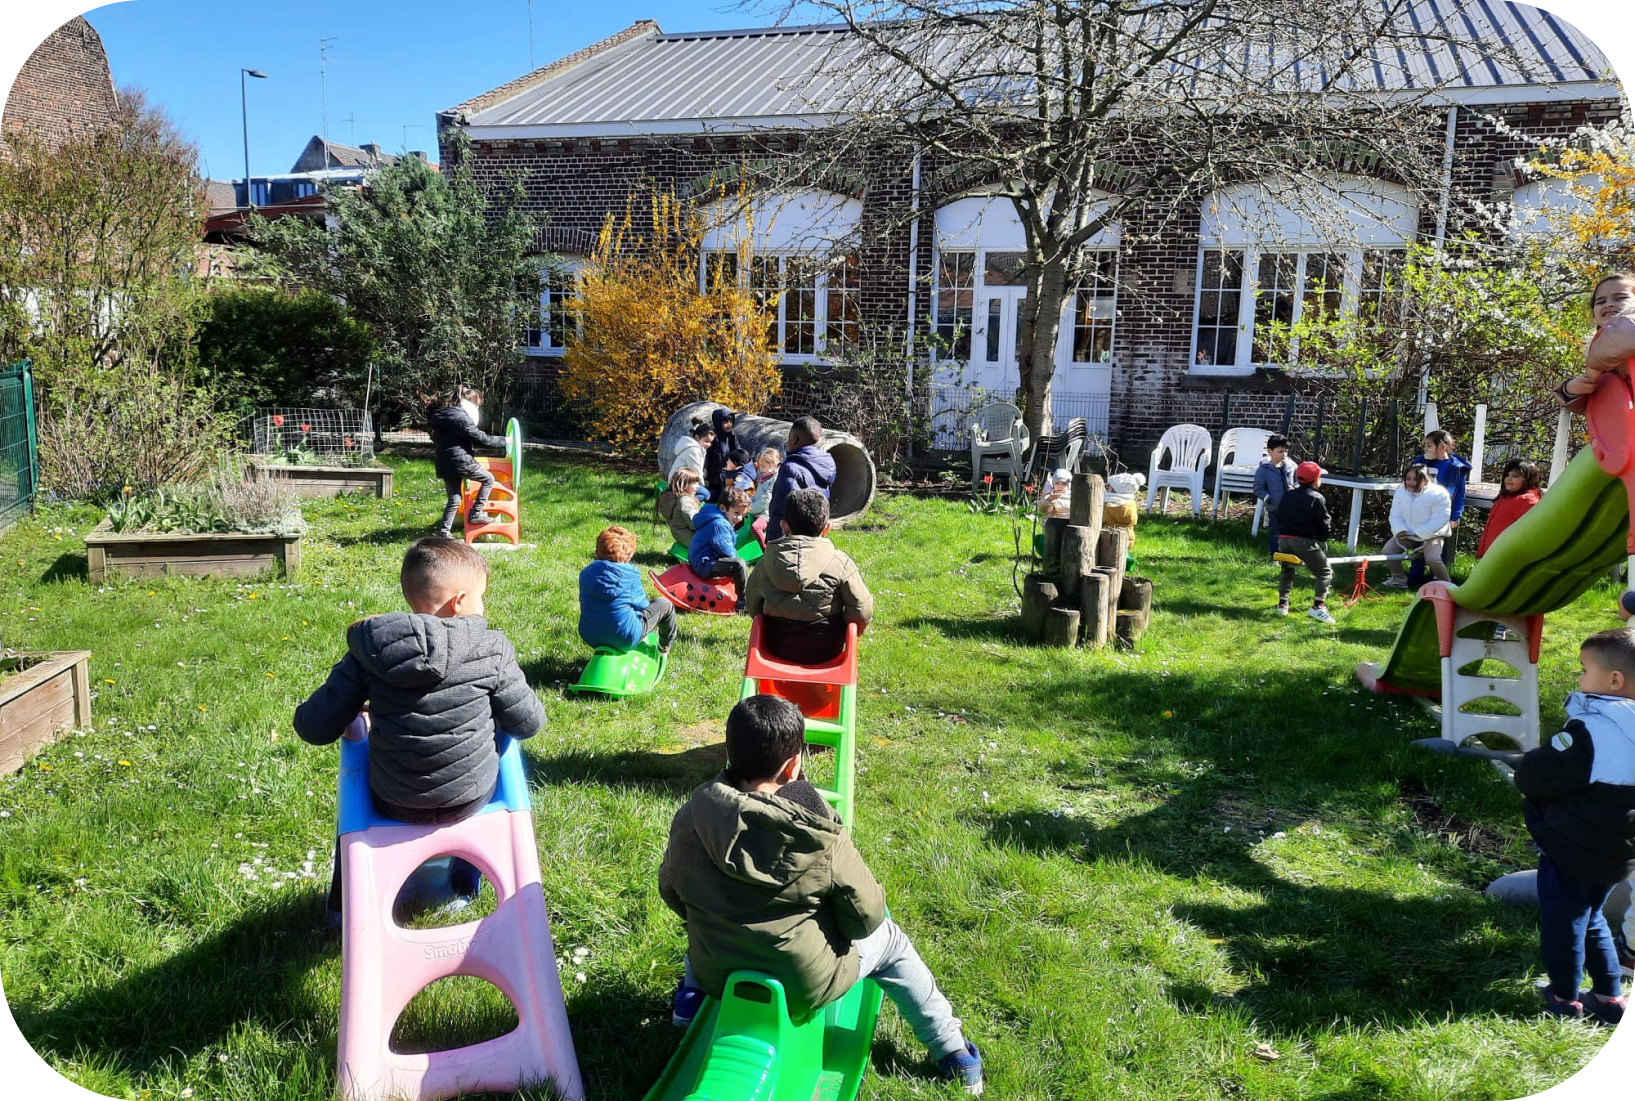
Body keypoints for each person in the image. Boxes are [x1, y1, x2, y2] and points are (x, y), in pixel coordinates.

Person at [658, 694, 984, 1093]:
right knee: (892, 942)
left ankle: (688, 1006)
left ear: (728, 752)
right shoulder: (818, 831)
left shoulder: (691, 815)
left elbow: (672, 891)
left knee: (703, 914)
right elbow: (867, 917)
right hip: (804, 982)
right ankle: (954, 1054)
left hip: (716, 969)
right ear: (794, 764)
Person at [295, 538, 545, 913]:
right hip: (470, 796)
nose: (484, 606)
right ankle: (462, 884)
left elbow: (314, 727)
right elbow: (529, 723)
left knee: (356, 774)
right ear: (459, 601)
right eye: (482, 597)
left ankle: (344, 904)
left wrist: (353, 709)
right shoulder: (491, 648)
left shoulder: (372, 650)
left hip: (392, 798)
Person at [1512, 627, 1635, 1024]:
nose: (1579, 680)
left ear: (1614, 680)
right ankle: (1610, 996)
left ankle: (1564, 996)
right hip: (1620, 853)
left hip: (1574, 848)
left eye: (1583, 670)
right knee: (1592, 914)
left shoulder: (1591, 729)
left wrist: (1527, 775)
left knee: (1564, 920)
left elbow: (1539, 775)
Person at [745, 488, 874, 665]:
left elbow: (753, 604)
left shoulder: (766, 563)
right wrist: (847, 633)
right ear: (827, 527)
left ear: (784, 526)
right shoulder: (841, 563)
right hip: (827, 649)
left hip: (776, 647)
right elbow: (861, 609)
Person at [579, 525, 676, 654]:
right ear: (628, 557)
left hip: (589, 634)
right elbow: (642, 605)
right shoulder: (630, 575)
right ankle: (664, 647)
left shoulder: (585, 573)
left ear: (596, 553)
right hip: (624, 637)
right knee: (666, 605)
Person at [429, 386, 507, 539]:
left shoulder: (442, 416)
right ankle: (476, 513)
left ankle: (443, 532)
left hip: (444, 462)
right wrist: (504, 440)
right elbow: (482, 439)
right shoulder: (462, 418)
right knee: (489, 479)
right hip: (461, 460)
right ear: (471, 405)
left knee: (455, 498)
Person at [1555, 272, 1635, 411]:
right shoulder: (1599, 349)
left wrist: (1593, 369)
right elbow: (1597, 403)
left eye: (1620, 297)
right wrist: (1571, 389)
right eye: (1601, 301)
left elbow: (1625, 333)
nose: (1609, 304)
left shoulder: (1601, 352)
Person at [1405, 430, 1470, 584]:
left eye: (1429, 446)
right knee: (1420, 543)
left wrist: (1456, 517)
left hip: (1442, 515)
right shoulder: (1423, 462)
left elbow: (1459, 494)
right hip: (1422, 513)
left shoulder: (1455, 468)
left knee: (1439, 548)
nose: (1425, 449)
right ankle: (1415, 575)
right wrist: (1422, 461)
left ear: (1442, 447)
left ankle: (1439, 579)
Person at [1274, 461, 1335, 623]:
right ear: (1316, 480)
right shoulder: (1316, 498)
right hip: (1302, 542)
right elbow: (1324, 523)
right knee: (1324, 572)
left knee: (1287, 570)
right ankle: (1318, 606)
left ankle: (1283, 604)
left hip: (1283, 540)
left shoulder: (1288, 494)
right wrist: (1322, 539)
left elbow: (1279, 515)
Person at [766, 416, 836, 542]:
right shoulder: (825, 465)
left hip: (792, 538)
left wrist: (772, 542)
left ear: (794, 438)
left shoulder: (791, 468)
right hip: (817, 534)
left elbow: (782, 508)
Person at [1382, 463, 1453, 588]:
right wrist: (1399, 530)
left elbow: (1441, 518)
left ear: (1426, 479)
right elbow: (1395, 514)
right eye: (1408, 479)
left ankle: (1446, 585)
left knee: (1433, 559)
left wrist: (1422, 533)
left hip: (1433, 534)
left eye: (1416, 479)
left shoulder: (1439, 493)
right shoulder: (1401, 491)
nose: (1411, 483)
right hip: (1408, 533)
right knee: (1388, 551)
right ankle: (1398, 579)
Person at [689, 485, 753, 611]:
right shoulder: (719, 525)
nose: (739, 518)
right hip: (704, 563)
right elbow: (727, 551)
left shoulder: (717, 518)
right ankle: (742, 602)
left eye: (742, 515)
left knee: (737, 564)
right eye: (736, 513)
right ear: (723, 508)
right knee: (738, 565)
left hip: (702, 559)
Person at [1476, 459, 1543, 559]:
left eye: (1515, 476)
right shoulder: (1506, 497)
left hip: (1509, 556)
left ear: (1529, 479)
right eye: (1507, 475)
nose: (1509, 479)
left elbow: (1530, 534)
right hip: (1494, 552)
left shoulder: (1528, 501)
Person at [1253, 434, 1298, 557]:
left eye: (1286, 451)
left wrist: (1295, 488)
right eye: (1280, 451)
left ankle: (1290, 555)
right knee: (1276, 532)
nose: (1284, 455)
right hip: (1275, 507)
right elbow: (1258, 488)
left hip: (1290, 506)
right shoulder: (1263, 470)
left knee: (1291, 531)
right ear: (1270, 451)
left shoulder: (1290, 466)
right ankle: (1275, 555)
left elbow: (1297, 479)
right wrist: (1268, 498)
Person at [658, 468, 708, 548]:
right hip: (689, 536)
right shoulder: (685, 501)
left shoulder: (676, 497)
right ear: (684, 485)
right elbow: (692, 520)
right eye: (694, 483)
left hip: (681, 533)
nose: (698, 486)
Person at [703, 408, 741, 499]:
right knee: (712, 496)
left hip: (727, 471)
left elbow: (737, 450)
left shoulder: (731, 435)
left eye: (731, 421)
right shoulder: (713, 437)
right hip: (714, 473)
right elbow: (706, 454)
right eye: (725, 422)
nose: (729, 425)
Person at [748, 447, 782, 517]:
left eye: (763, 466)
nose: (760, 469)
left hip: (766, 514)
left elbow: (766, 500)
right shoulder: (765, 475)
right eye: (759, 466)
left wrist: (750, 509)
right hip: (757, 509)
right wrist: (747, 502)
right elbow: (757, 495)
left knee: (756, 527)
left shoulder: (775, 479)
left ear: (774, 465)